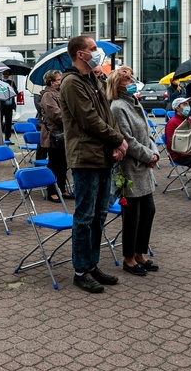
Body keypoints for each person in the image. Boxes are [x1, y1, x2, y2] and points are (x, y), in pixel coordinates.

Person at [59, 35, 127, 294]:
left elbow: (107, 115)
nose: (97, 52)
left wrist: (116, 143)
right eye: (92, 49)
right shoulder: (72, 83)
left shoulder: (92, 80)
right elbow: (88, 120)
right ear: (80, 54)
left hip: (102, 154)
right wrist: (119, 140)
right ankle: (80, 270)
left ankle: (92, 264)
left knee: (99, 214)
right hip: (85, 156)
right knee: (85, 215)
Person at [107, 67, 160, 277]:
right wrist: (148, 156)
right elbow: (127, 140)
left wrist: (154, 153)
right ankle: (128, 258)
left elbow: (147, 135)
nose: (131, 81)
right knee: (132, 216)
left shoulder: (135, 103)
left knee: (149, 211)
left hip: (144, 166)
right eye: (126, 79)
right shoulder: (118, 107)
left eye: (131, 78)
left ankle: (140, 253)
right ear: (116, 86)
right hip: (130, 167)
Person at [164, 97, 191, 194]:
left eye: (188, 104)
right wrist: (188, 154)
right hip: (178, 155)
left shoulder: (189, 121)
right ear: (177, 108)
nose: (188, 106)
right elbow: (172, 145)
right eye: (185, 104)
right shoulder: (172, 122)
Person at [39, 69, 69, 202]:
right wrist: (71, 120)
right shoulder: (48, 96)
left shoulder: (60, 93)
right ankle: (51, 190)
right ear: (52, 82)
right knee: (54, 163)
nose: (61, 82)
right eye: (59, 80)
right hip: (54, 134)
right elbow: (56, 114)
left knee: (63, 163)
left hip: (64, 133)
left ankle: (62, 189)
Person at [0, 70, 16, 141]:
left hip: (9, 106)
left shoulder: (11, 82)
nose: (6, 75)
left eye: (7, 74)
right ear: (1, 74)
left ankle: (7, 137)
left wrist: (13, 90)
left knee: (8, 123)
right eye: (4, 74)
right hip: (1, 106)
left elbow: (16, 93)